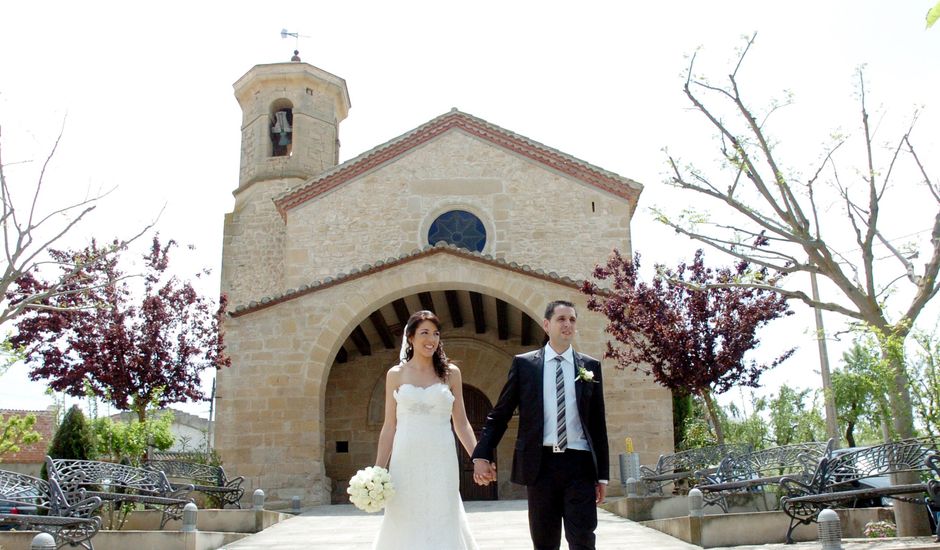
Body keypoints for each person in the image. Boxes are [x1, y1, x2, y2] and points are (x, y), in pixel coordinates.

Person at [471, 300, 609, 550]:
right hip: (540, 465)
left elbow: (598, 425)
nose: (567, 324)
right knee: (545, 541)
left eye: (572, 320)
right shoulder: (525, 365)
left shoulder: (590, 367)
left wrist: (603, 477)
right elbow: (500, 414)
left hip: (580, 464)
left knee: (583, 539)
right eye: (561, 319)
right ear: (546, 325)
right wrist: (481, 454)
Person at [372, 310, 479, 550]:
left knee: (443, 511)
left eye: (436, 333)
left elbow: (461, 423)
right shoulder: (395, 375)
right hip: (405, 457)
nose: (431, 338)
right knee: (403, 514)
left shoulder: (451, 374)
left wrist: (478, 457)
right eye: (424, 333)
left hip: (441, 456)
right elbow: (389, 426)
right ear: (410, 337)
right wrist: (378, 470)